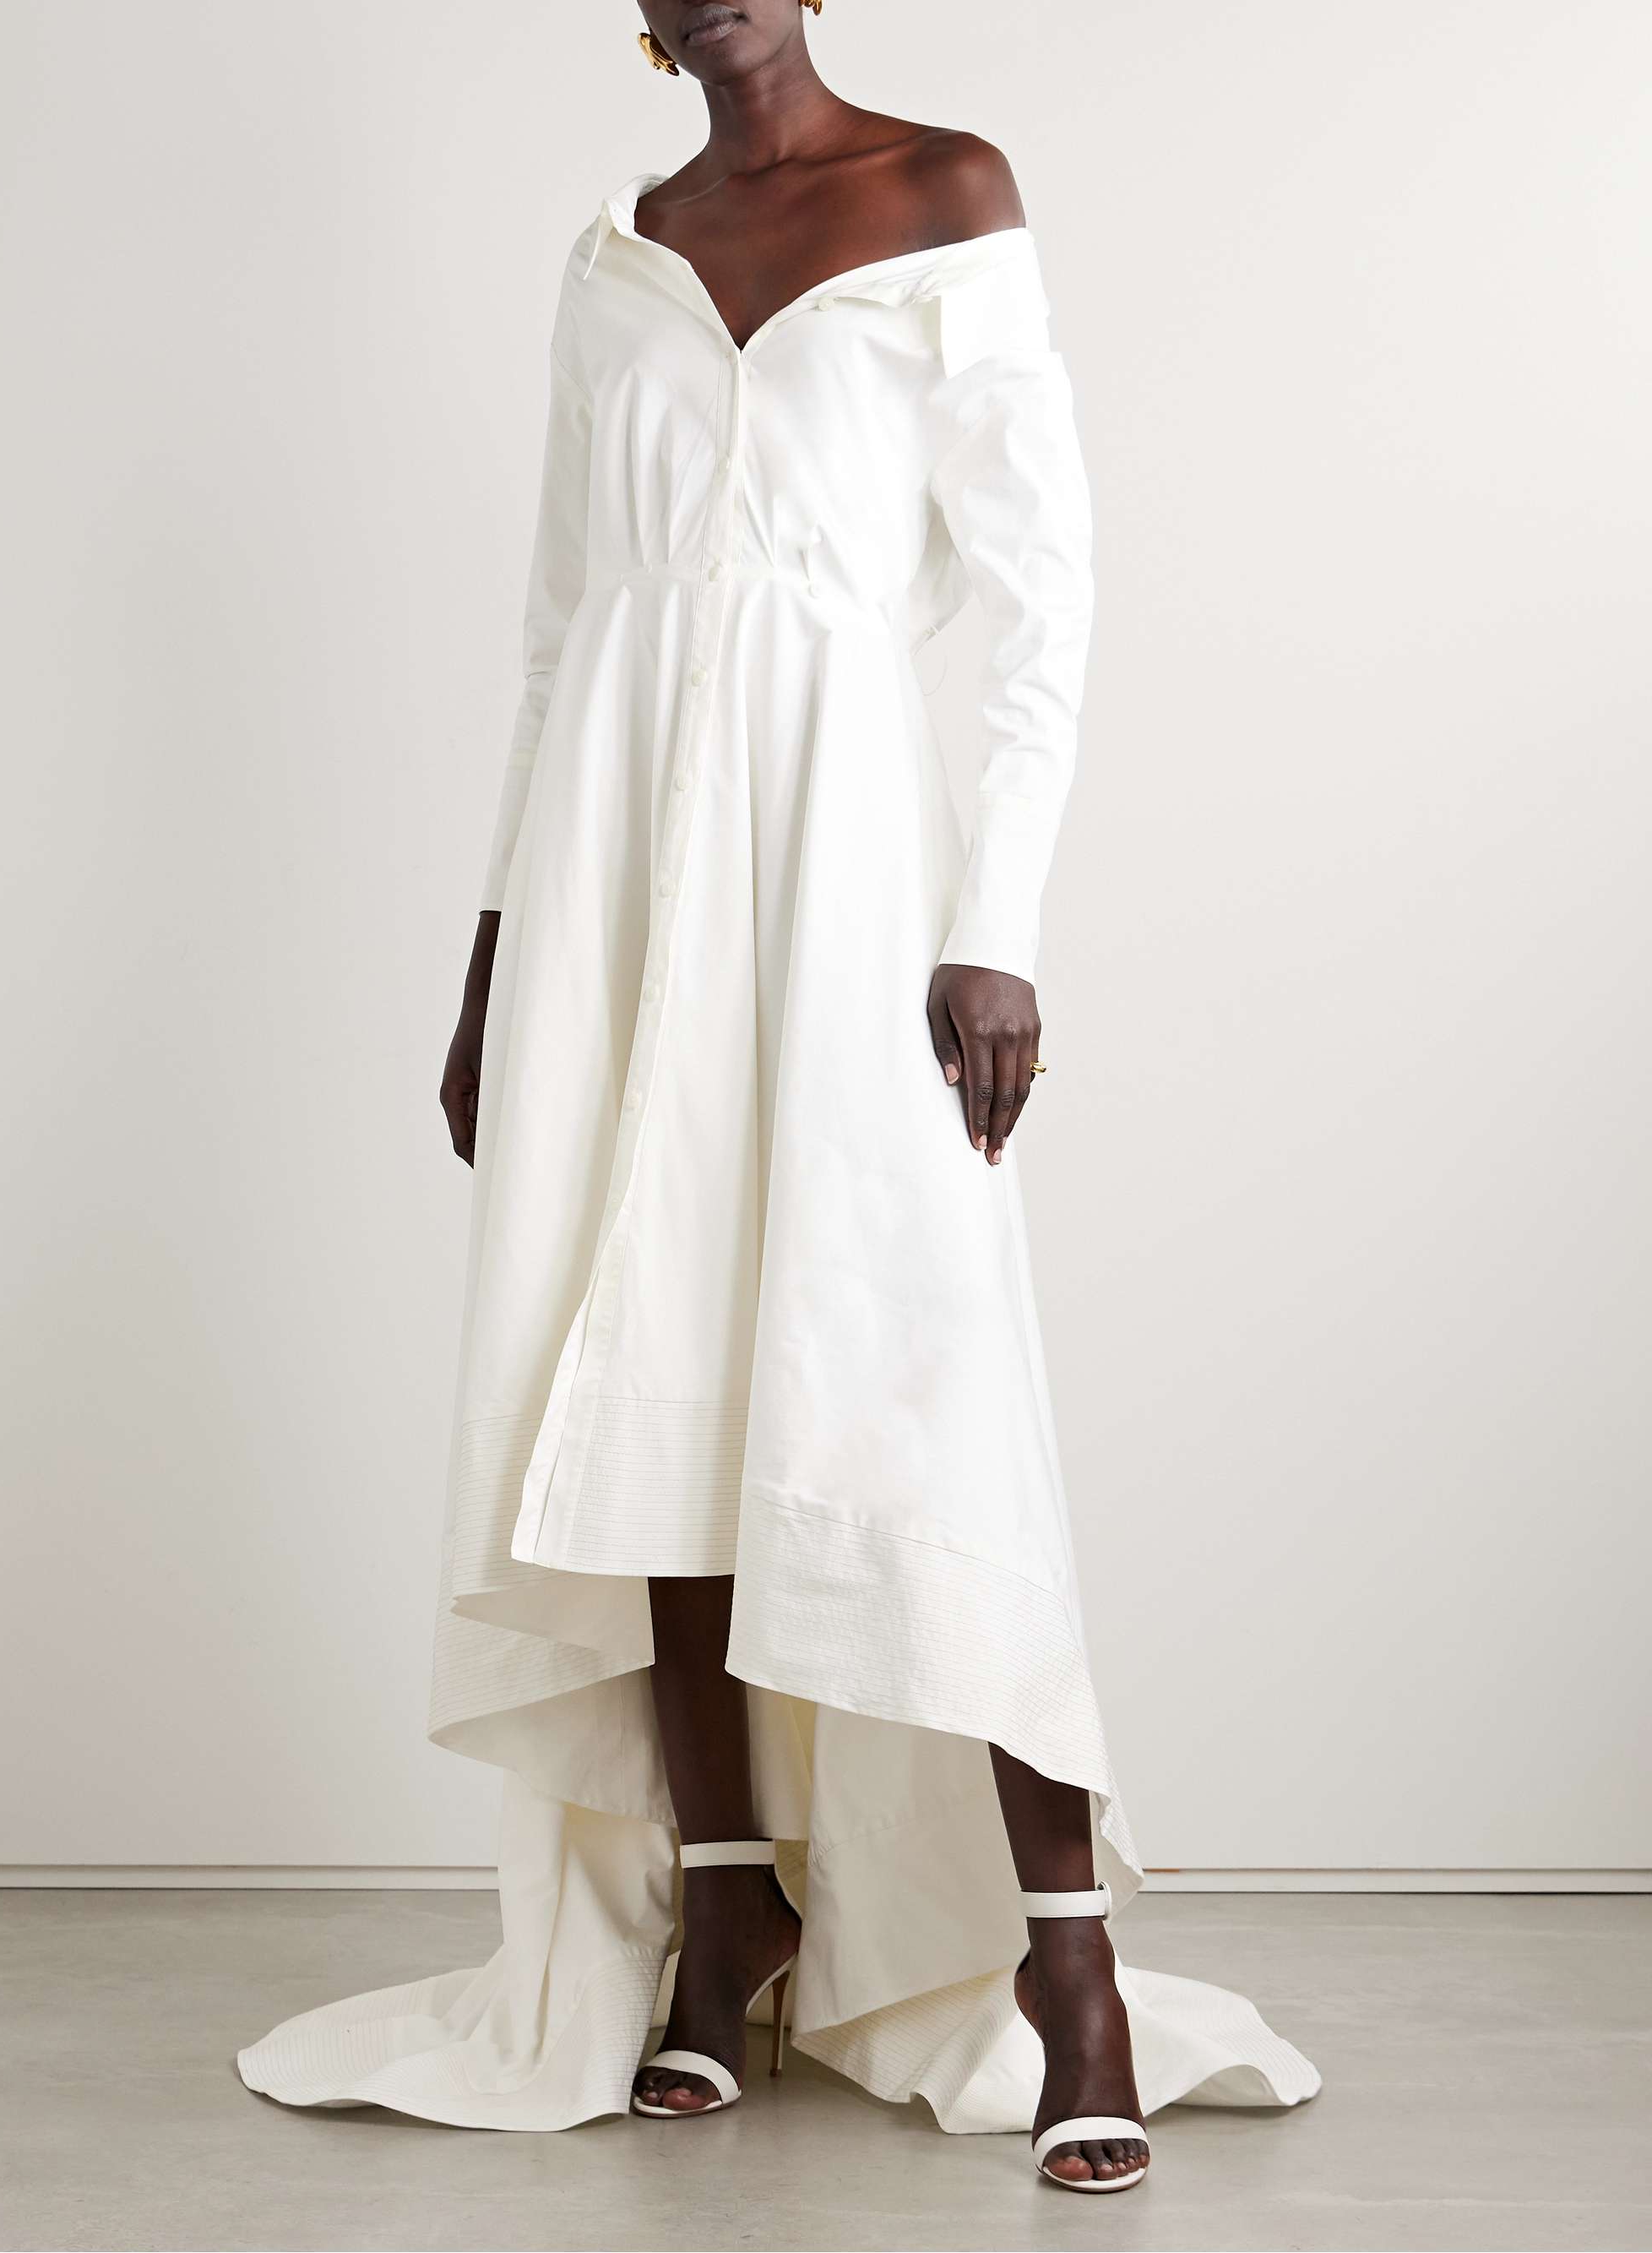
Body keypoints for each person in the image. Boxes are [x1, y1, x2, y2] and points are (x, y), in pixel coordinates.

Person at [239, 0, 1318, 2191]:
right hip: (611, 883)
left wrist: (996, 919)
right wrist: (496, 951)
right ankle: (721, 1908)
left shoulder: (943, 192)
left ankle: (1072, 1969)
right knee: (651, 1372)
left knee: (921, 1380)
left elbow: (1043, 587)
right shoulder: (618, 253)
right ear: (637, 18)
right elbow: (560, 628)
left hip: (846, 868)